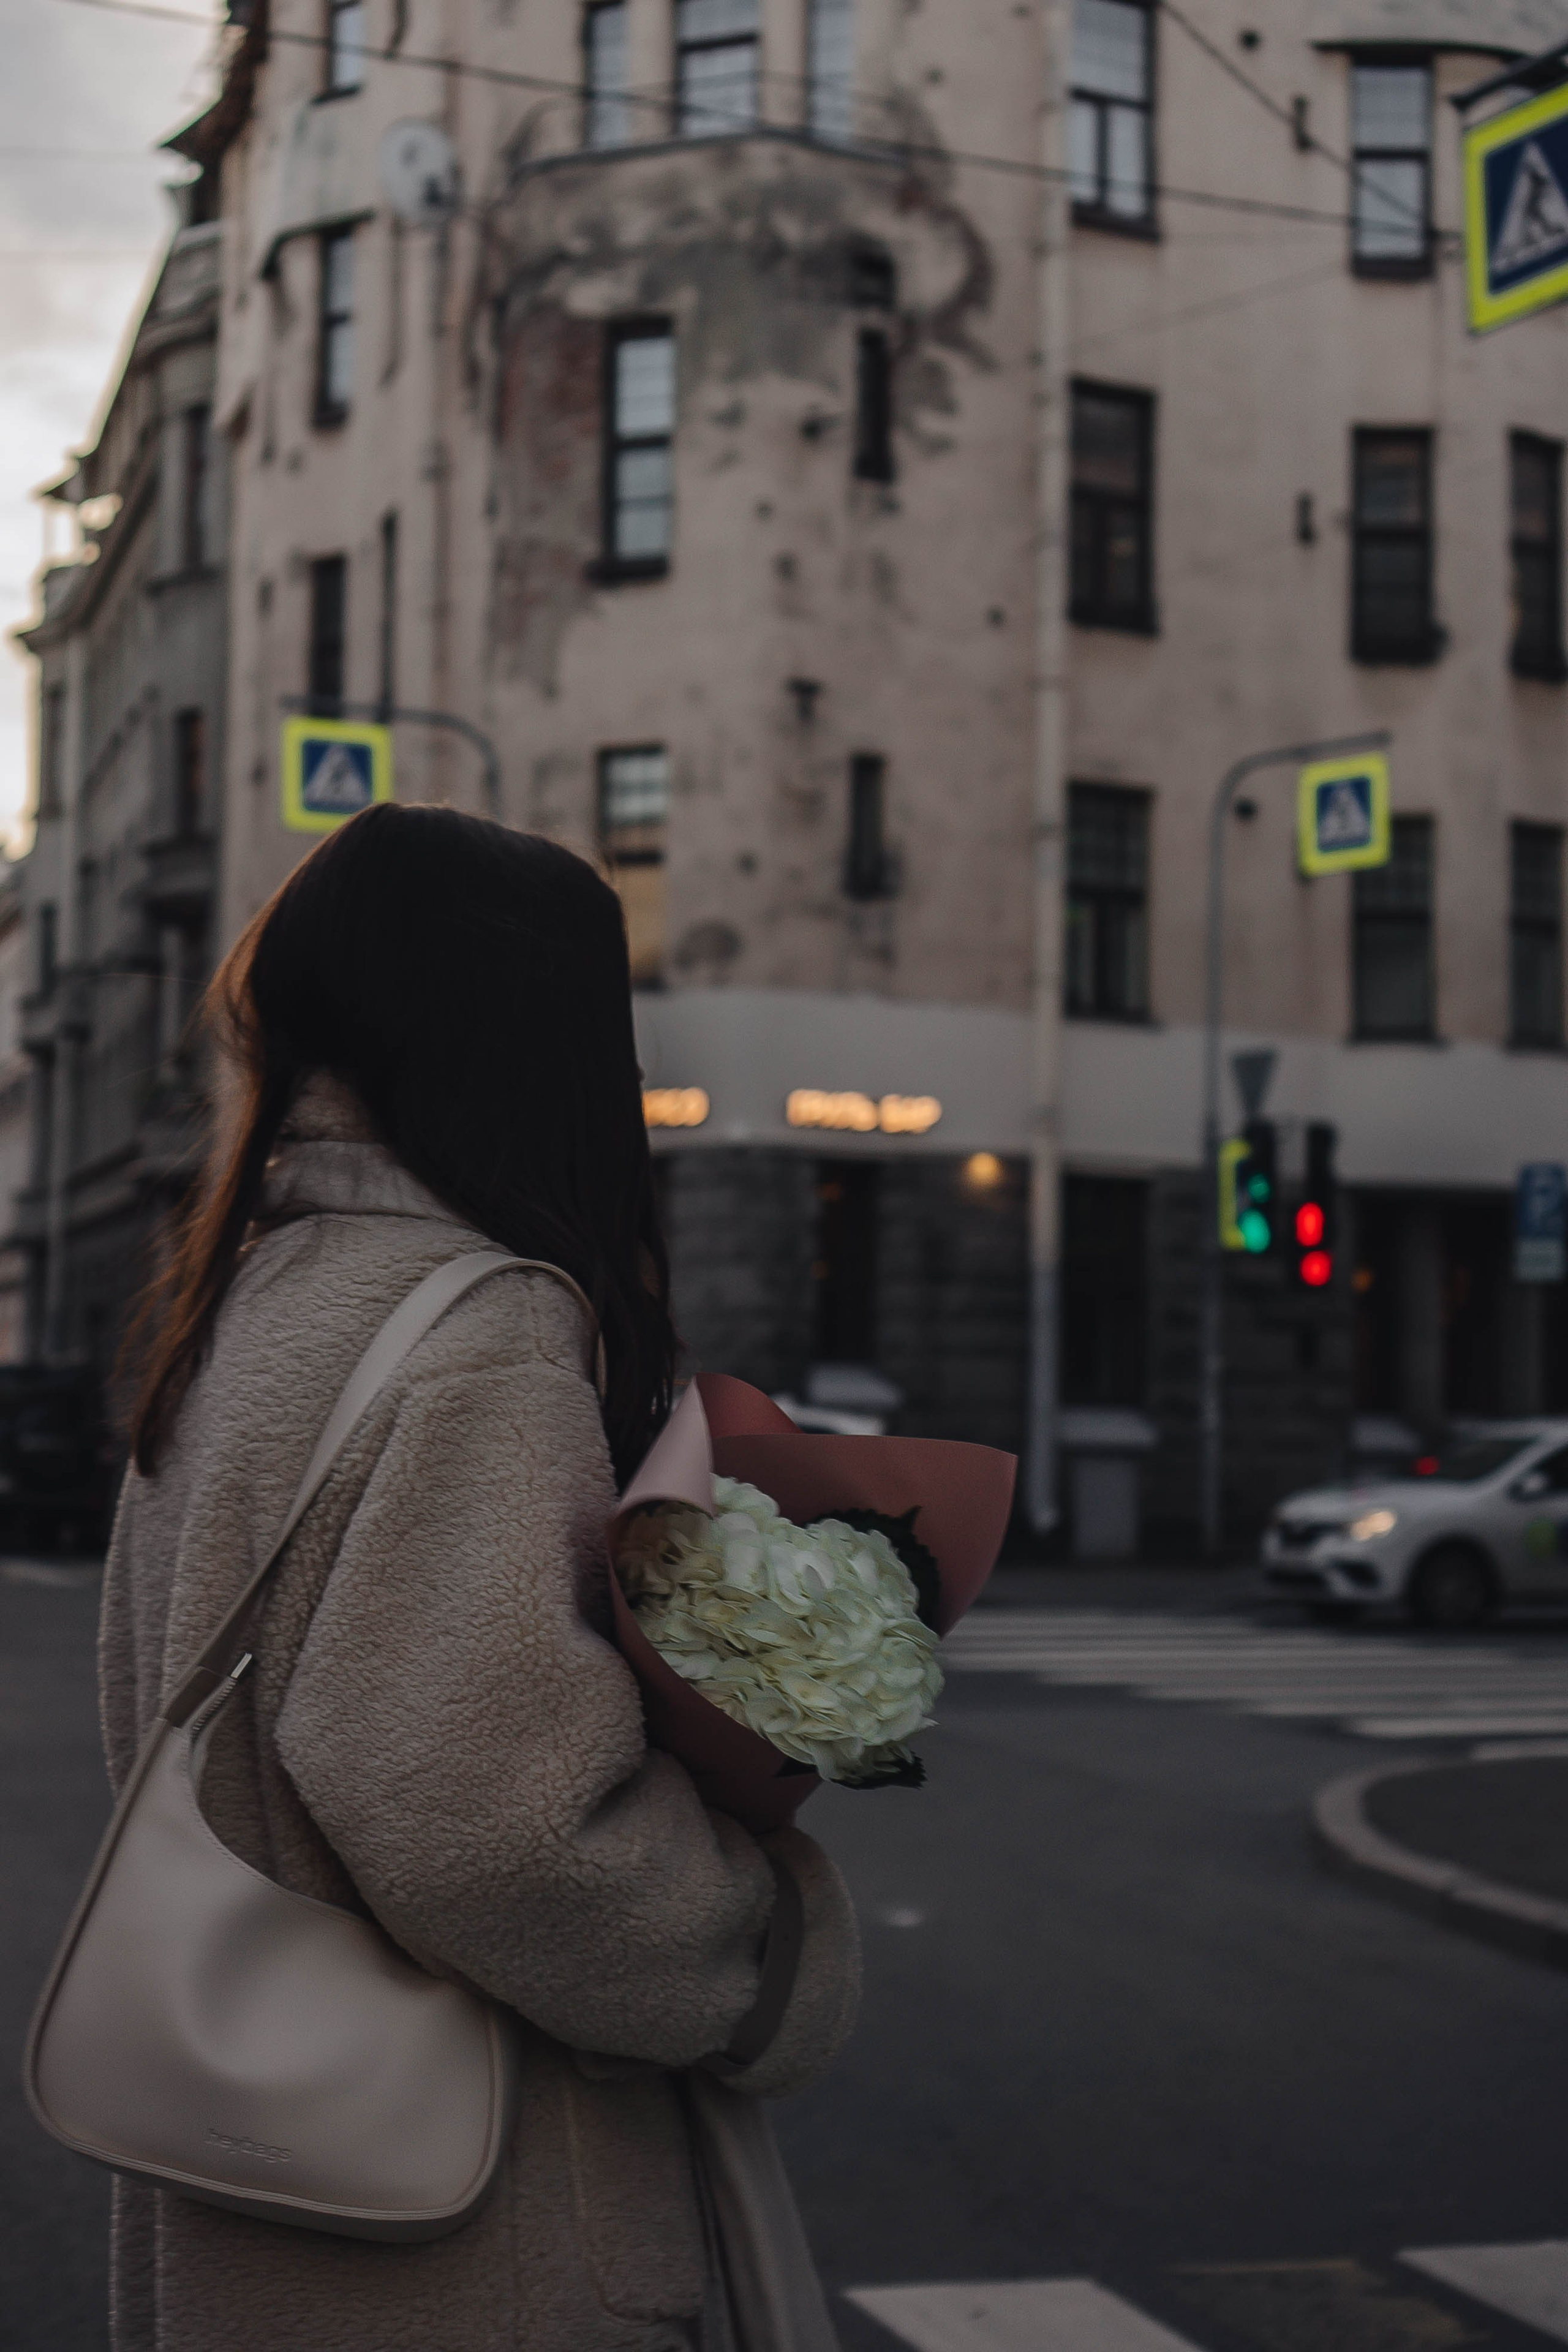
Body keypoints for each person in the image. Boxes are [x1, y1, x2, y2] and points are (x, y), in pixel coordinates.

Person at [100, 804, 861, 2352]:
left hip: (261, 2190)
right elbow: (499, 1834)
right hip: (466, 2238)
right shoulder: (481, 1333)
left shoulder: (249, 1305)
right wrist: (758, 1948)